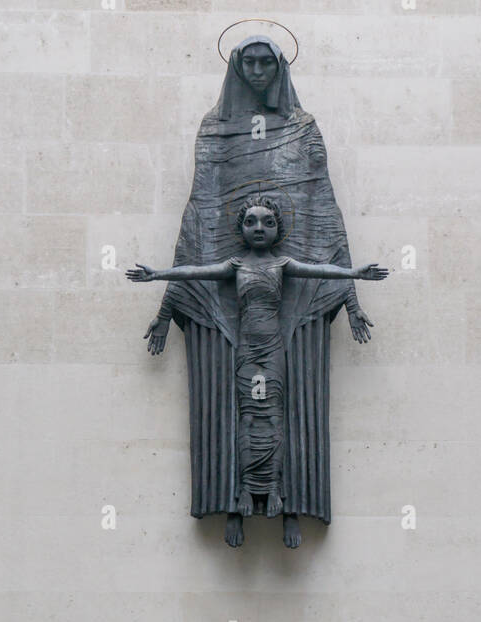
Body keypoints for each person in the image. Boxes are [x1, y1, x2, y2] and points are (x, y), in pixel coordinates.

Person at [138, 35, 382, 546]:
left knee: (283, 404)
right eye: (246, 60)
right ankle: (233, 502)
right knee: (241, 406)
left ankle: (291, 502)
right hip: (233, 309)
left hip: (289, 311)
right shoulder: (214, 129)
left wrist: (354, 299)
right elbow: (198, 216)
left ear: (279, 65)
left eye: (264, 61)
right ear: (234, 63)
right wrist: (164, 305)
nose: (255, 69)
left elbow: (324, 212)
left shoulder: (303, 128)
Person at [128, 198, 388, 545]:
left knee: (274, 416)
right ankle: (246, 495)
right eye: (251, 222)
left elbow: (322, 270)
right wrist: (157, 274)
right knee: (249, 417)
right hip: (247, 350)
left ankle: (279, 495)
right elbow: (193, 272)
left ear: (279, 228)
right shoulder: (235, 264)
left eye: (267, 222)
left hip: (273, 349)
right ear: (241, 229)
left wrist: (356, 275)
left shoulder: (283, 263)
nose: (259, 228)